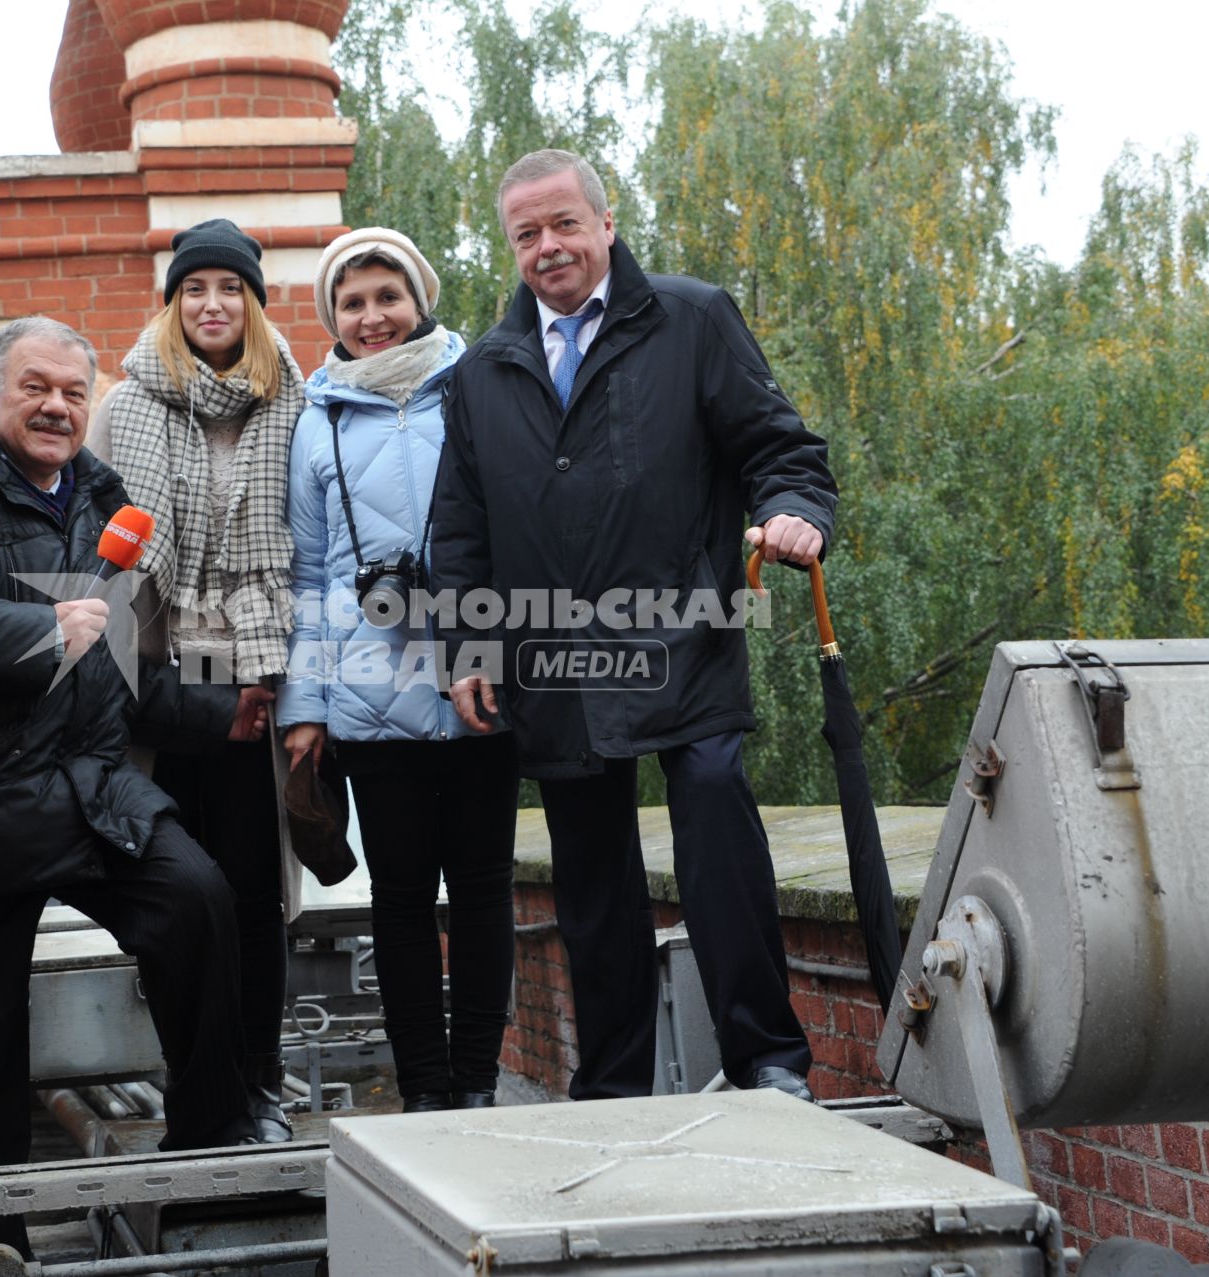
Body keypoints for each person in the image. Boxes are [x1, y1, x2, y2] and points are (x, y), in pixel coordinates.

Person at [0, 316, 273, 1262]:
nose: (57, 407)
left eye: (75, 393)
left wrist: (218, 714)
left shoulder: (97, 499)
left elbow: (105, 663)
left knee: (198, 904)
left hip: (86, 792)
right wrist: (33, 627)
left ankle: (205, 1151)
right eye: (36, 387)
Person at [428, 149, 838, 1104]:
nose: (548, 247)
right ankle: (612, 1086)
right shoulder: (483, 369)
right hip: (552, 656)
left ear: (607, 224)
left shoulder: (692, 319)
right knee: (591, 882)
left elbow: (782, 447)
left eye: (565, 223)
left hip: (682, 633)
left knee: (715, 820)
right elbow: (459, 525)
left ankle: (768, 1061)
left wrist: (795, 511)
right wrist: (468, 648)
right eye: (526, 233)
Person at [277, 228, 521, 1112]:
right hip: (368, 698)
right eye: (353, 302)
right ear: (333, 317)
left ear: (420, 298)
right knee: (404, 900)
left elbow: (510, 535)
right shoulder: (316, 421)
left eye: (388, 296)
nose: (372, 316)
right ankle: (425, 1092)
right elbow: (307, 574)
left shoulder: (480, 388)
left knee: (486, 891)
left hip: (477, 680)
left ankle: (478, 1084)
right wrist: (304, 703)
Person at [85, 219, 305, 1144]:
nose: (211, 304)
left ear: (252, 301)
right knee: (179, 890)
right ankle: (195, 1085)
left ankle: (257, 1080)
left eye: (229, 287)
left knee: (255, 890)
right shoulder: (124, 407)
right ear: (174, 302)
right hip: (161, 677)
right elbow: (101, 555)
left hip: (260, 668)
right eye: (194, 288)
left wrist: (273, 677)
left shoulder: (295, 401)